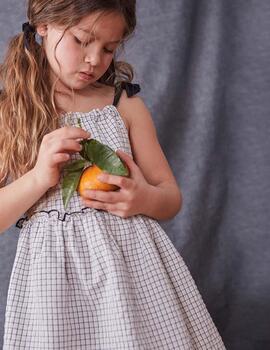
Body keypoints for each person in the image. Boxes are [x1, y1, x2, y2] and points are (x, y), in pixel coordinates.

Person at [0, 0, 225, 349]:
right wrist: (39, 178)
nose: (94, 60)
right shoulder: (9, 109)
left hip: (136, 276)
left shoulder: (124, 104)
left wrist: (143, 197)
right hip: (54, 284)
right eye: (81, 40)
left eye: (108, 48)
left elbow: (170, 197)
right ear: (43, 25)